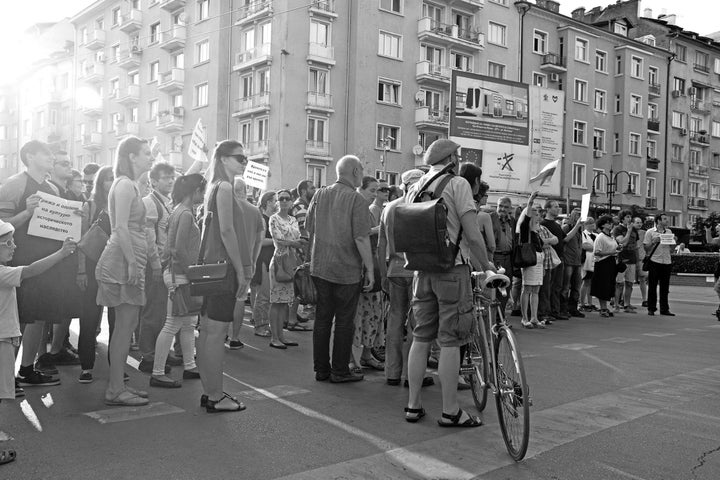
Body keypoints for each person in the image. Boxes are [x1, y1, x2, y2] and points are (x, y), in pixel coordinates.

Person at [404, 139, 494, 427]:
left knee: (421, 337)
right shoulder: (458, 185)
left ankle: (413, 405)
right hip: (452, 271)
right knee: (451, 341)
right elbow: (472, 233)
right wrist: (486, 267)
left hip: (422, 271)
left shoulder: (415, 186)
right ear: (453, 158)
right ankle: (450, 410)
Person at [0, 219, 76, 467]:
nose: (14, 246)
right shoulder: (2, 272)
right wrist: (62, 253)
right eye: (7, 243)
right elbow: (32, 270)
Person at [0, 141, 65, 388]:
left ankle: (26, 370)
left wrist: (71, 220)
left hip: (45, 262)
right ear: (29, 156)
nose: (51, 157)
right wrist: (26, 213)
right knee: (19, 319)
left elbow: (59, 227)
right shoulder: (14, 185)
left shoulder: (53, 189)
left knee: (38, 317)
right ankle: (6, 378)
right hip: (19, 261)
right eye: (45, 153)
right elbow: (2, 227)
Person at [96, 136, 154, 406]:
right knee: (122, 329)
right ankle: (116, 389)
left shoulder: (130, 184)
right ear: (131, 156)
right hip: (122, 261)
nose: (150, 157)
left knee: (126, 327)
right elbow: (119, 227)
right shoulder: (123, 184)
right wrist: (132, 262)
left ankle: (117, 386)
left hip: (128, 259)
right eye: (146, 153)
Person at [306, 155, 374, 384]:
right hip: (346, 269)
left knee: (323, 319)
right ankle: (340, 370)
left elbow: (309, 227)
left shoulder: (319, 194)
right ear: (355, 171)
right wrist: (371, 271)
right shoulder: (356, 200)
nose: (362, 174)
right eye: (362, 169)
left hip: (321, 266)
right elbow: (362, 238)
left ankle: (321, 369)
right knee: (345, 321)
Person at [196, 140, 250, 412]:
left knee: (207, 330)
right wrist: (240, 271)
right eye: (240, 158)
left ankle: (210, 392)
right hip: (224, 266)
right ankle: (215, 396)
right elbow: (227, 232)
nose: (245, 162)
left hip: (210, 266)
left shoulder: (213, 186)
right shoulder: (226, 187)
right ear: (224, 159)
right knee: (216, 333)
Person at [149, 174, 206, 388]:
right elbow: (179, 248)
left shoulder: (180, 211)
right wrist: (192, 272)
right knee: (173, 323)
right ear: (196, 191)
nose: (204, 194)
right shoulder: (185, 213)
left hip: (177, 272)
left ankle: (189, 365)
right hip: (180, 274)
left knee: (188, 323)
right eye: (203, 190)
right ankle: (157, 372)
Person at [378, 169, 431, 387]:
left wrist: (382, 273)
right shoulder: (422, 207)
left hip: (394, 269)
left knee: (395, 319)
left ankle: (392, 372)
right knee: (417, 323)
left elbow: (381, 245)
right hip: (417, 270)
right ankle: (412, 374)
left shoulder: (389, 207)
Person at [76, 166, 116, 384]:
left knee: (116, 320)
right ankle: (86, 366)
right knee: (89, 317)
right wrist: (81, 270)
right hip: (92, 267)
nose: (114, 182)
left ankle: (117, 366)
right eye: (110, 179)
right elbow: (82, 241)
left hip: (115, 267)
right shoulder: (90, 206)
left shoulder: (122, 205)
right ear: (101, 183)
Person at [138, 163, 178, 373]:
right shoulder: (150, 203)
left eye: (171, 177)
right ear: (153, 181)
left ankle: (161, 352)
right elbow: (148, 238)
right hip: (155, 265)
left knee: (163, 312)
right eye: (165, 177)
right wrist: (155, 265)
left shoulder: (167, 202)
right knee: (153, 311)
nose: (170, 181)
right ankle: (148, 356)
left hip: (165, 264)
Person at [226, 177, 265, 349]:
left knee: (224, 298)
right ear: (244, 190)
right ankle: (234, 337)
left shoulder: (228, 207)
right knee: (240, 299)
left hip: (227, 260)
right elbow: (259, 239)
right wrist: (254, 259)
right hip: (247, 262)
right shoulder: (255, 210)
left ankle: (221, 336)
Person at [350, 177, 384, 372]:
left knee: (373, 313)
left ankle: (366, 355)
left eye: (376, 190)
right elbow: (356, 234)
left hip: (371, 262)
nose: (375, 193)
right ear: (361, 189)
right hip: (359, 266)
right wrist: (375, 230)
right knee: (357, 315)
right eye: (372, 189)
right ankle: (353, 358)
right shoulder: (358, 207)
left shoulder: (368, 208)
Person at [267, 189, 306, 349]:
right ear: (277, 202)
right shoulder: (273, 219)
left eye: (287, 198)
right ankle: (274, 337)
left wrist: (296, 242)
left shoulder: (292, 219)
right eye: (281, 198)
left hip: (292, 261)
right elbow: (278, 239)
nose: (284, 201)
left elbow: (295, 237)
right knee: (276, 301)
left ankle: (281, 336)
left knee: (285, 302)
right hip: (279, 261)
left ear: (291, 202)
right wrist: (295, 243)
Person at [515, 192, 545, 328]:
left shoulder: (536, 231)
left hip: (538, 261)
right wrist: (530, 201)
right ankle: (525, 318)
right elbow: (526, 219)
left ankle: (534, 317)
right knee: (527, 288)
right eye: (534, 212)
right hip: (530, 261)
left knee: (536, 290)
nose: (536, 214)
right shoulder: (525, 228)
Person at [250, 191, 276, 338]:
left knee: (263, 294)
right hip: (263, 259)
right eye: (275, 201)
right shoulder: (263, 219)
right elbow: (259, 241)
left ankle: (261, 321)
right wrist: (277, 241)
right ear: (267, 202)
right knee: (263, 294)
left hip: (267, 258)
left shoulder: (270, 218)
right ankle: (260, 325)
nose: (277, 203)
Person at [644, 213, 676, 316]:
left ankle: (664, 309)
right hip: (655, 261)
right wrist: (654, 242)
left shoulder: (669, 232)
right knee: (652, 286)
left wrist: (673, 243)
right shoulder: (650, 232)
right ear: (658, 221)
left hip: (666, 261)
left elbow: (671, 250)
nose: (667, 221)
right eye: (665, 219)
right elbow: (646, 248)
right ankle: (651, 308)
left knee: (665, 287)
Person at [540, 201, 567, 320]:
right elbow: (542, 242)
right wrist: (550, 241)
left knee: (557, 286)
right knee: (547, 287)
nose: (558, 209)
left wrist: (577, 226)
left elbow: (560, 239)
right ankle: (546, 311)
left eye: (558, 206)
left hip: (559, 258)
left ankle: (555, 310)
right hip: (548, 259)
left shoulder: (556, 225)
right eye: (555, 207)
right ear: (548, 209)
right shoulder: (543, 224)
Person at [591, 215, 622, 317]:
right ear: (603, 225)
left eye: (611, 222)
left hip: (611, 262)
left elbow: (614, 249)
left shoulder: (611, 236)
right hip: (602, 263)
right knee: (602, 286)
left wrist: (618, 248)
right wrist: (611, 252)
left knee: (609, 285)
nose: (610, 224)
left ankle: (605, 307)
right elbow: (597, 252)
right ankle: (602, 308)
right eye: (608, 223)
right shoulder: (600, 237)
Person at [489, 196, 514, 312]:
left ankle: (501, 318)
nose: (502, 209)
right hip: (496, 257)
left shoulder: (512, 220)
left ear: (510, 209)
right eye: (500, 206)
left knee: (506, 289)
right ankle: (493, 319)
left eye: (506, 207)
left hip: (508, 258)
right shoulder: (490, 218)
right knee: (494, 289)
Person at [613, 211, 639, 314]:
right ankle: (616, 304)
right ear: (622, 218)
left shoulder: (634, 230)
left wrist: (637, 259)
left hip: (632, 259)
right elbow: (621, 242)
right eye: (627, 217)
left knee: (629, 283)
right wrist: (628, 231)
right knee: (619, 283)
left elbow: (636, 245)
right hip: (622, 259)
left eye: (630, 217)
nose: (629, 219)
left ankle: (627, 304)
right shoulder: (617, 229)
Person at [560, 208, 585, 318]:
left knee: (576, 286)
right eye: (577, 214)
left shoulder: (580, 230)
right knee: (566, 286)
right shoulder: (567, 227)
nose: (579, 217)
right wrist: (576, 226)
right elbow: (564, 239)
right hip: (568, 260)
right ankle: (563, 308)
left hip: (577, 261)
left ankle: (573, 308)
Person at [579, 217, 597, 312]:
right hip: (587, 260)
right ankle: (582, 302)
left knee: (591, 282)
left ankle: (590, 303)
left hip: (595, 260)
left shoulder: (596, 234)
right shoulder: (583, 234)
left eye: (593, 223)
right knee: (586, 281)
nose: (592, 225)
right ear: (585, 225)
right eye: (589, 223)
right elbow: (585, 246)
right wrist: (596, 248)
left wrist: (593, 248)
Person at [634, 217, 648, 308]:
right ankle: (622, 299)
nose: (639, 224)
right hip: (631, 259)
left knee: (643, 278)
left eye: (640, 222)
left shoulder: (644, 233)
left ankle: (644, 299)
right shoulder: (629, 232)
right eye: (637, 222)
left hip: (641, 259)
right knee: (628, 281)